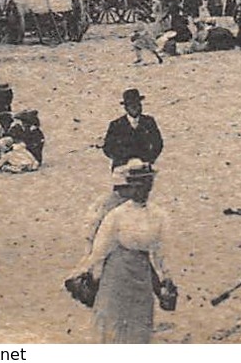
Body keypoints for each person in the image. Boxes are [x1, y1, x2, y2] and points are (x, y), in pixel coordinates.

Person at [72, 160, 175, 343]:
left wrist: (167, 279)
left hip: (142, 274)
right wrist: (85, 272)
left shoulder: (158, 216)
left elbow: (161, 251)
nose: (140, 190)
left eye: (144, 184)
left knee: (139, 323)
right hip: (116, 273)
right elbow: (100, 250)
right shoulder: (117, 215)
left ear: (150, 186)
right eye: (135, 185)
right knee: (113, 324)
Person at [103, 89, 163, 169]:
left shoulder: (149, 122)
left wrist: (149, 160)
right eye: (130, 104)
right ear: (125, 107)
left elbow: (158, 143)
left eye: (137, 103)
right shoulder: (116, 125)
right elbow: (108, 148)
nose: (134, 107)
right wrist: (122, 160)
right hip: (122, 168)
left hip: (144, 167)